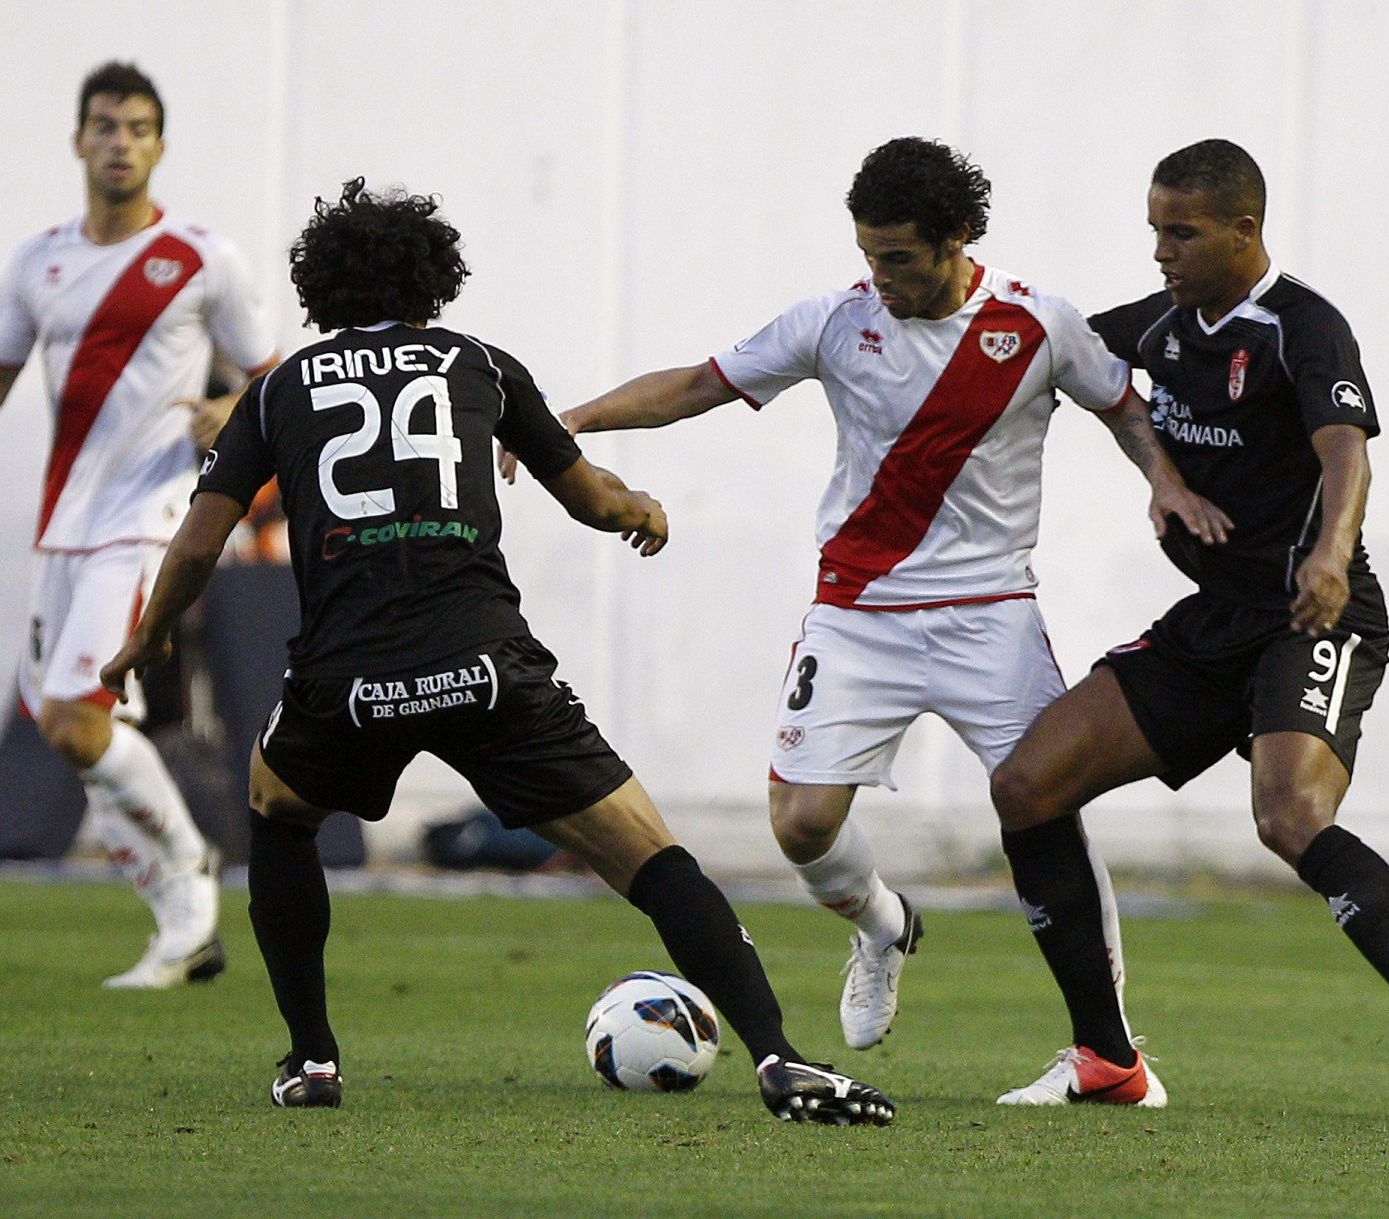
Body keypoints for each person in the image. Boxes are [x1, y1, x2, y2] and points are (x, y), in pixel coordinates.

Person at [101, 178, 894, 1126]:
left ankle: (313, 1057)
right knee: (649, 855)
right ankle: (779, 1054)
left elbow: (196, 544)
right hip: (484, 664)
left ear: (321, 287)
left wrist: (144, 639)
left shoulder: (275, 392)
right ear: (435, 279)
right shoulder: (478, 362)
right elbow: (594, 500)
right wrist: (642, 510)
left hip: (346, 678)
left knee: (277, 810)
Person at [543, 137, 1231, 1107]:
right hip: (856, 614)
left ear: (956, 240)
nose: (880, 276)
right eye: (869, 255)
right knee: (801, 823)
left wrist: (1162, 482)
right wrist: (566, 421)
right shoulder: (833, 321)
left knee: (1046, 804)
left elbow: (1122, 406)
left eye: (898, 257)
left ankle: (1110, 1054)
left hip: (991, 615)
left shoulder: (1037, 326)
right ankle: (879, 924)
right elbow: (699, 383)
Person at [990, 138, 1389, 1103]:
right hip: (1214, 619)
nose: (1161, 252)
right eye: (1154, 231)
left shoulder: (1301, 327)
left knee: (1289, 815)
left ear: (1243, 229)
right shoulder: (1157, 327)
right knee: (1027, 783)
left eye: (1180, 232)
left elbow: (1348, 455)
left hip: (1317, 615)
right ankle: (1107, 1059)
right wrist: (1161, 477)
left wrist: (1327, 554)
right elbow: (1049, 355)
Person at [0, 62, 278, 988]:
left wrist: (233, 406)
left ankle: (191, 882)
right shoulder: (37, 261)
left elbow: (277, 381)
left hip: (150, 521)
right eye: (105, 125)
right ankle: (178, 915)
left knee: (81, 722)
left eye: (137, 128)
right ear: (79, 139)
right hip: (62, 530)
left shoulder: (204, 258)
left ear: (160, 145)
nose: (119, 142)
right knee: (58, 721)